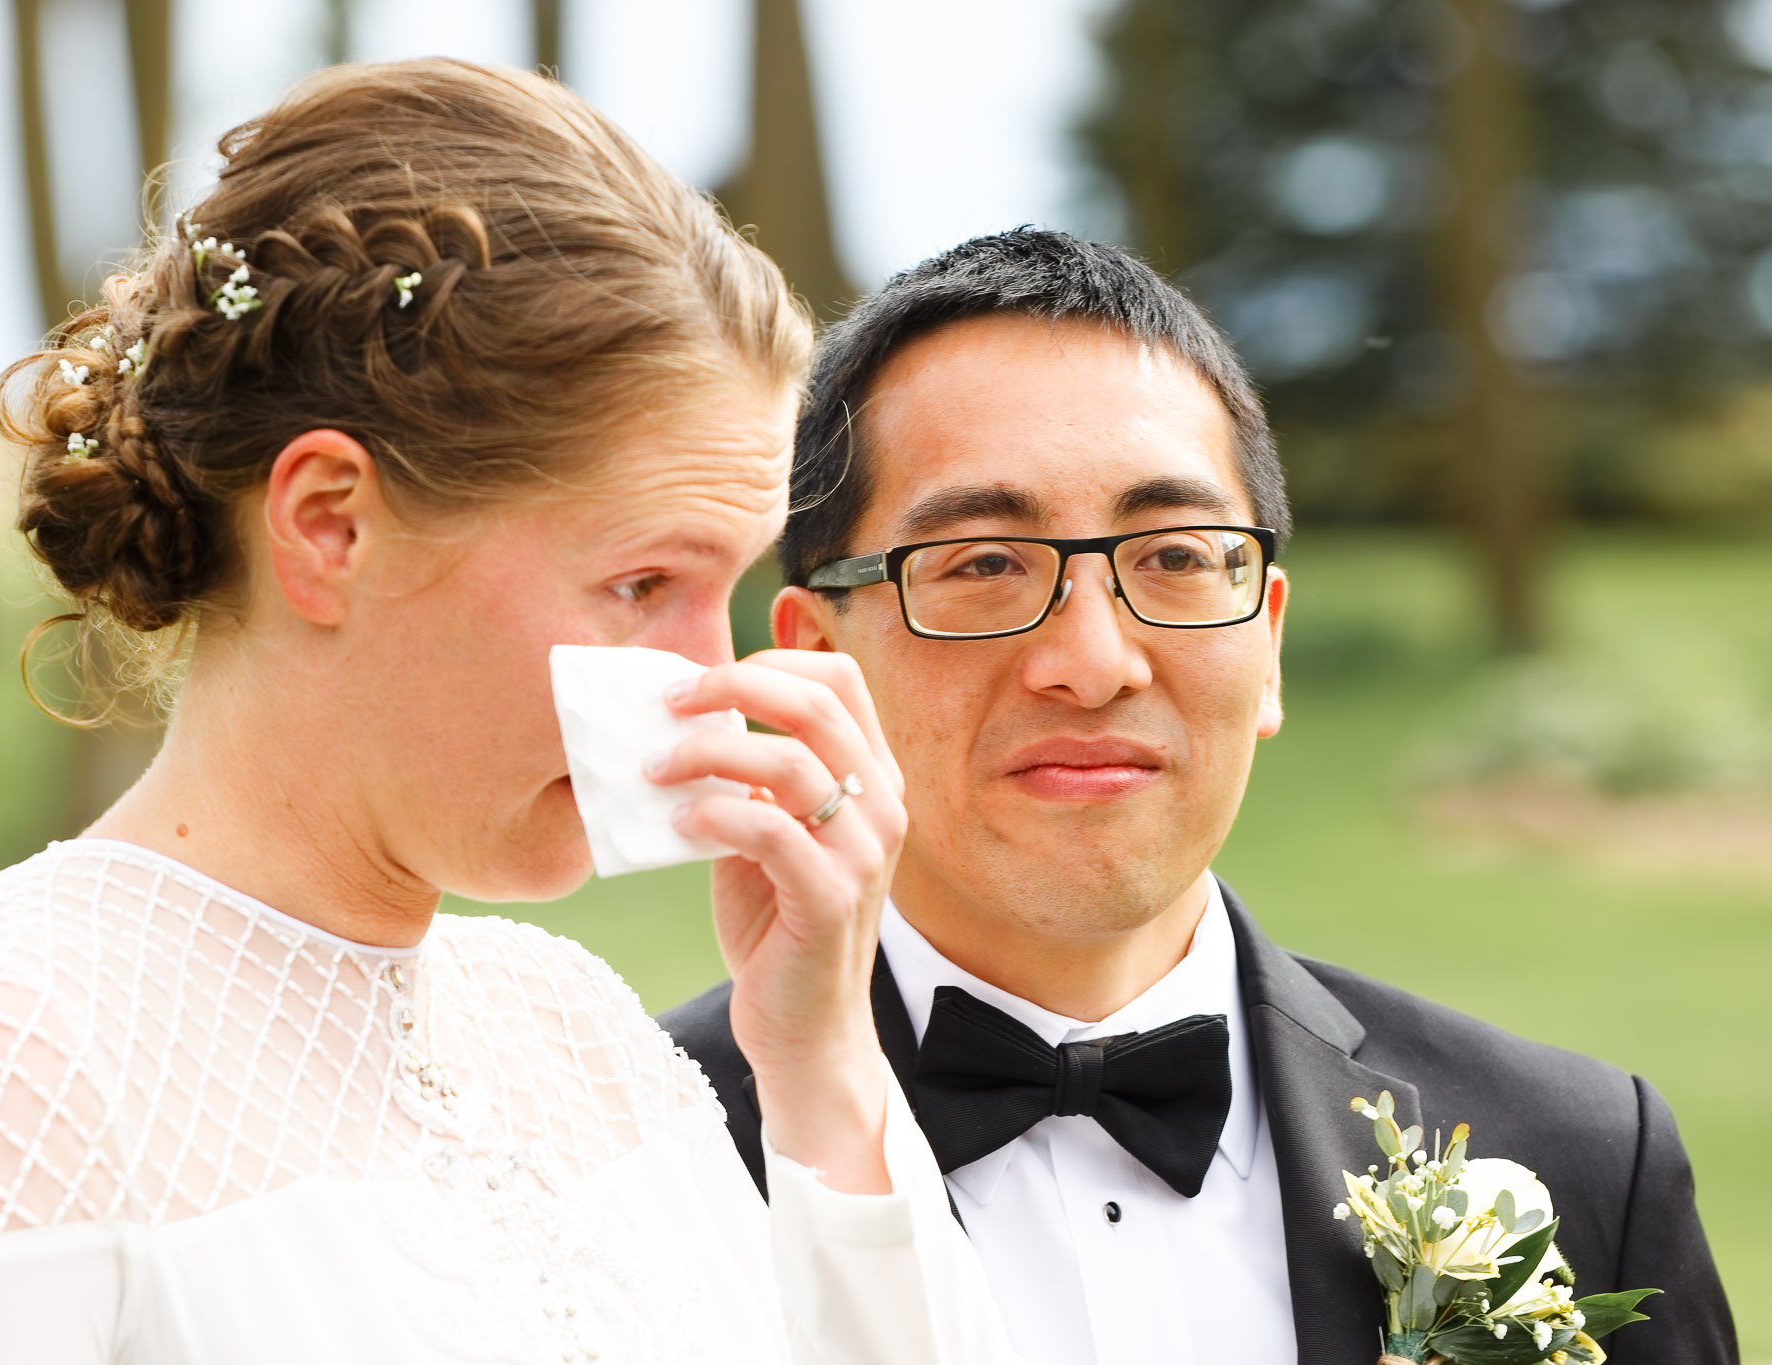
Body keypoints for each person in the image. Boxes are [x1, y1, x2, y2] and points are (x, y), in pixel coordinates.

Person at [0, 61, 1020, 1364]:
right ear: (331, 526)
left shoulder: (573, 1033)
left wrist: (821, 1060)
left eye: (725, 589)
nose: (710, 678)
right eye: (643, 582)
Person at [663, 229, 1738, 1365]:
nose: (1091, 662)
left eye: (1174, 556)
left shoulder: (1578, 1163)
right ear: (814, 658)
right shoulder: (608, 1161)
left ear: (1266, 645)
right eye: (981, 564)